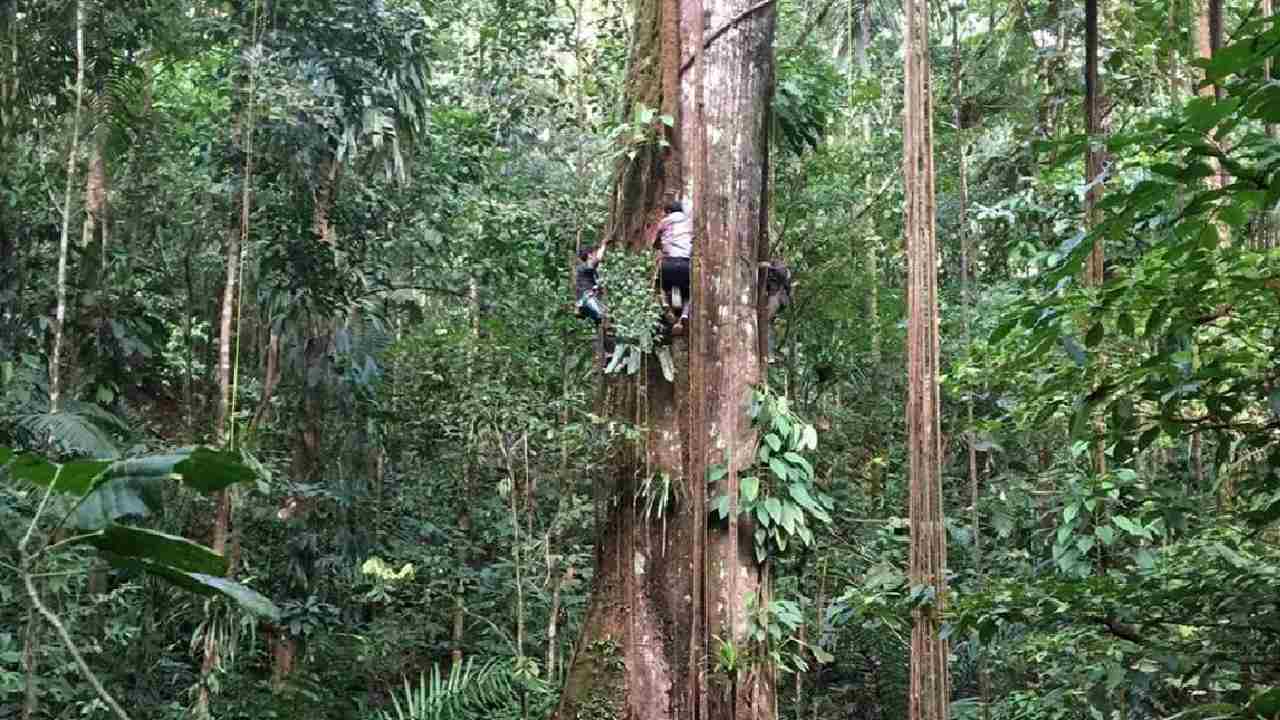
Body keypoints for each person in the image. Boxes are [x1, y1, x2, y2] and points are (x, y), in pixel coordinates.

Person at [654, 200, 692, 334]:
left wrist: (659, 245)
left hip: (668, 264)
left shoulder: (665, 222)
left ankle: (665, 305)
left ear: (668, 211)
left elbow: (655, 240)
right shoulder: (689, 223)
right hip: (685, 264)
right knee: (690, 293)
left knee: (660, 285)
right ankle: (684, 316)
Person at [575, 244, 607, 325]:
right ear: (589, 255)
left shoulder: (585, 269)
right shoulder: (584, 267)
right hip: (587, 298)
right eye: (594, 253)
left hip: (587, 298)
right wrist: (603, 246)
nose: (595, 255)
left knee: (601, 316)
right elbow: (597, 259)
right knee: (602, 314)